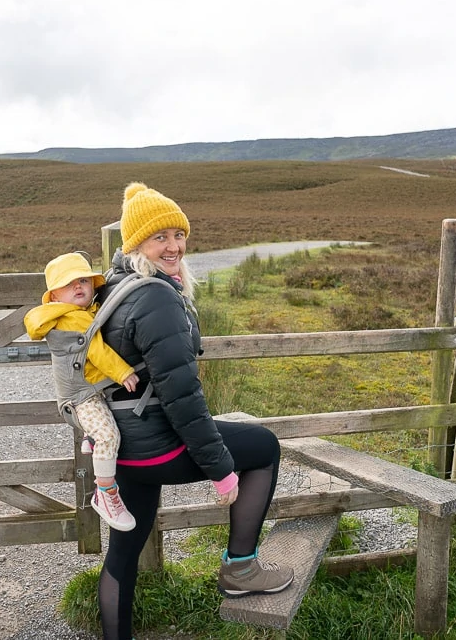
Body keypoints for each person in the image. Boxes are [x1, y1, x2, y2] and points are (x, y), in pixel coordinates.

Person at [95, 182, 294, 639]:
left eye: (179, 235)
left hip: (121, 447)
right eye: (159, 237)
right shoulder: (157, 297)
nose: (174, 246)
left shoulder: (115, 286)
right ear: (137, 243)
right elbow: (182, 399)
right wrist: (222, 470)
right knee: (262, 447)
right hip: (156, 446)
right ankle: (241, 570)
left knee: (123, 555)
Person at [24, 252, 140, 532]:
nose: (79, 287)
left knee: (104, 428)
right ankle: (106, 493)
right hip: (81, 396)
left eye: (84, 281)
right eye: (69, 284)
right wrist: (123, 372)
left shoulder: (75, 313)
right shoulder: (73, 320)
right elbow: (96, 351)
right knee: (109, 435)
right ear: (53, 297)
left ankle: (92, 439)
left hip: (86, 391)